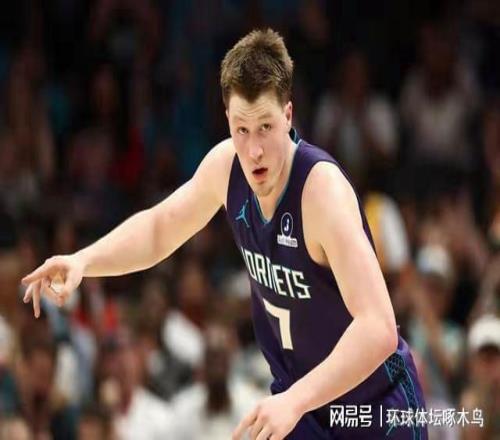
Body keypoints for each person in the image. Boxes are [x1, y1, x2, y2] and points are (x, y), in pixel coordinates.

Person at [21, 29, 427, 439]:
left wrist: (296, 399)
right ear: (227, 118)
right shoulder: (225, 167)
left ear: (288, 115)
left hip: (375, 406)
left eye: (265, 127)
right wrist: (84, 260)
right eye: (241, 129)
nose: (254, 150)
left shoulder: (321, 191)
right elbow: (159, 229)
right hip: (303, 405)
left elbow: (378, 327)